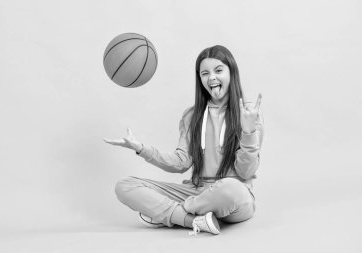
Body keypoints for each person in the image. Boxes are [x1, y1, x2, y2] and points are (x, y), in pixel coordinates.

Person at [104, 45, 264, 236]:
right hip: (195, 191)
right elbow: (180, 163)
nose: (211, 77)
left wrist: (249, 131)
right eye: (205, 73)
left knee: (231, 188)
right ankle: (193, 220)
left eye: (218, 70)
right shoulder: (191, 115)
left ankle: (171, 213)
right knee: (125, 185)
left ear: (232, 72)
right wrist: (141, 149)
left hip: (234, 197)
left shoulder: (249, 113)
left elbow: (246, 171)